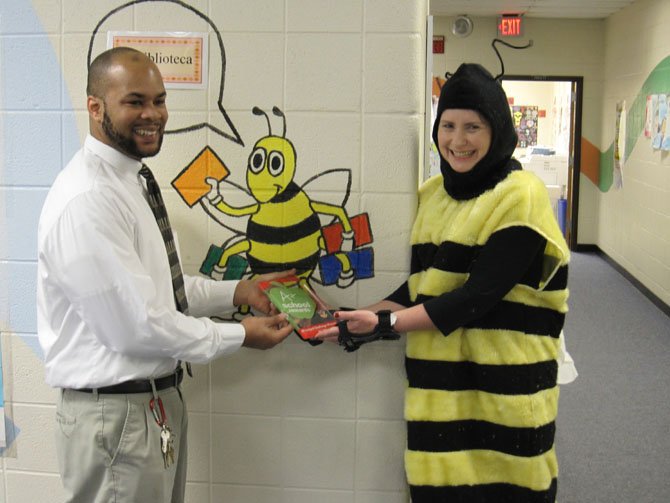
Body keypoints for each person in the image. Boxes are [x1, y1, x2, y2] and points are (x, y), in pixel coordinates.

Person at [36, 47, 294, 503]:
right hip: (115, 416)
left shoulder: (130, 181)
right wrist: (239, 336)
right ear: (95, 107)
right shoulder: (89, 199)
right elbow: (139, 327)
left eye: (159, 99)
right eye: (135, 101)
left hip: (148, 407)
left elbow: (163, 292)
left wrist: (239, 290)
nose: (153, 114)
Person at [318, 63, 569, 502]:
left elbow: (477, 298)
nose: (457, 140)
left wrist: (384, 326)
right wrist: (353, 319)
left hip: (506, 398)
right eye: (448, 125)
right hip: (440, 400)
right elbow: (423, 288)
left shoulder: (521, 195)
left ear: (497, 131)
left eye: (473, 126)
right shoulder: (433, 195)